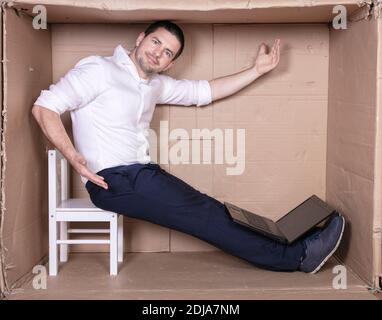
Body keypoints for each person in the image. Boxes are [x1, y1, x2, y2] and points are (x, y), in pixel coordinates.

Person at [32, 20, 345, 273]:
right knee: (205, 215)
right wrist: (73, 156)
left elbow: (204, 91)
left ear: (170, 63)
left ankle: (286, 239)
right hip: (113, 181)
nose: (158, 53)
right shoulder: (98, 70)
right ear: (141, 38)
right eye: (156, 42)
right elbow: (44, 108)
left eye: (168, 52)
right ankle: (297, 257)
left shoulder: (154, 85)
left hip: (140, 175)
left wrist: (256, 70)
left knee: (212, 210)